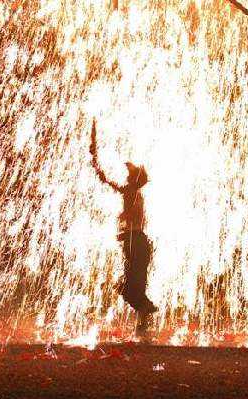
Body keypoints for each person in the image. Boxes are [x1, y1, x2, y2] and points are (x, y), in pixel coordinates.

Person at [89, 119, 158, 337]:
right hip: (138, 243)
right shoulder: (135, 193)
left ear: (133, 179)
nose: (126, 175)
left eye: (129, 173)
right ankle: (143, 322)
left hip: (135, 243)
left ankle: (145, 314)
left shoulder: (131, 193)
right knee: (132, 285)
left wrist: (95, 161)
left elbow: (108, 182)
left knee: (129, 287)